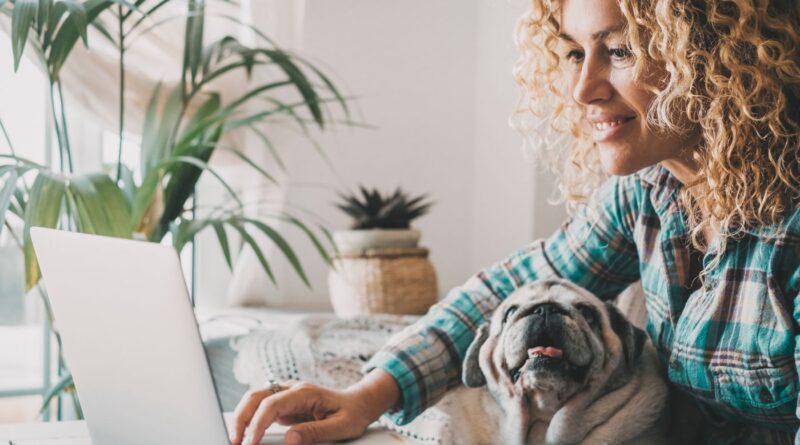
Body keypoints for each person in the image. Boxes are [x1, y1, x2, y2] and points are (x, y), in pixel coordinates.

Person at [230, 0, 800, 443]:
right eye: (576, 53)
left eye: (620, 50)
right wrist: (366, 396)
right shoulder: (646, 194)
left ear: (723, 59)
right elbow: (500, 295)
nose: (584, 89)